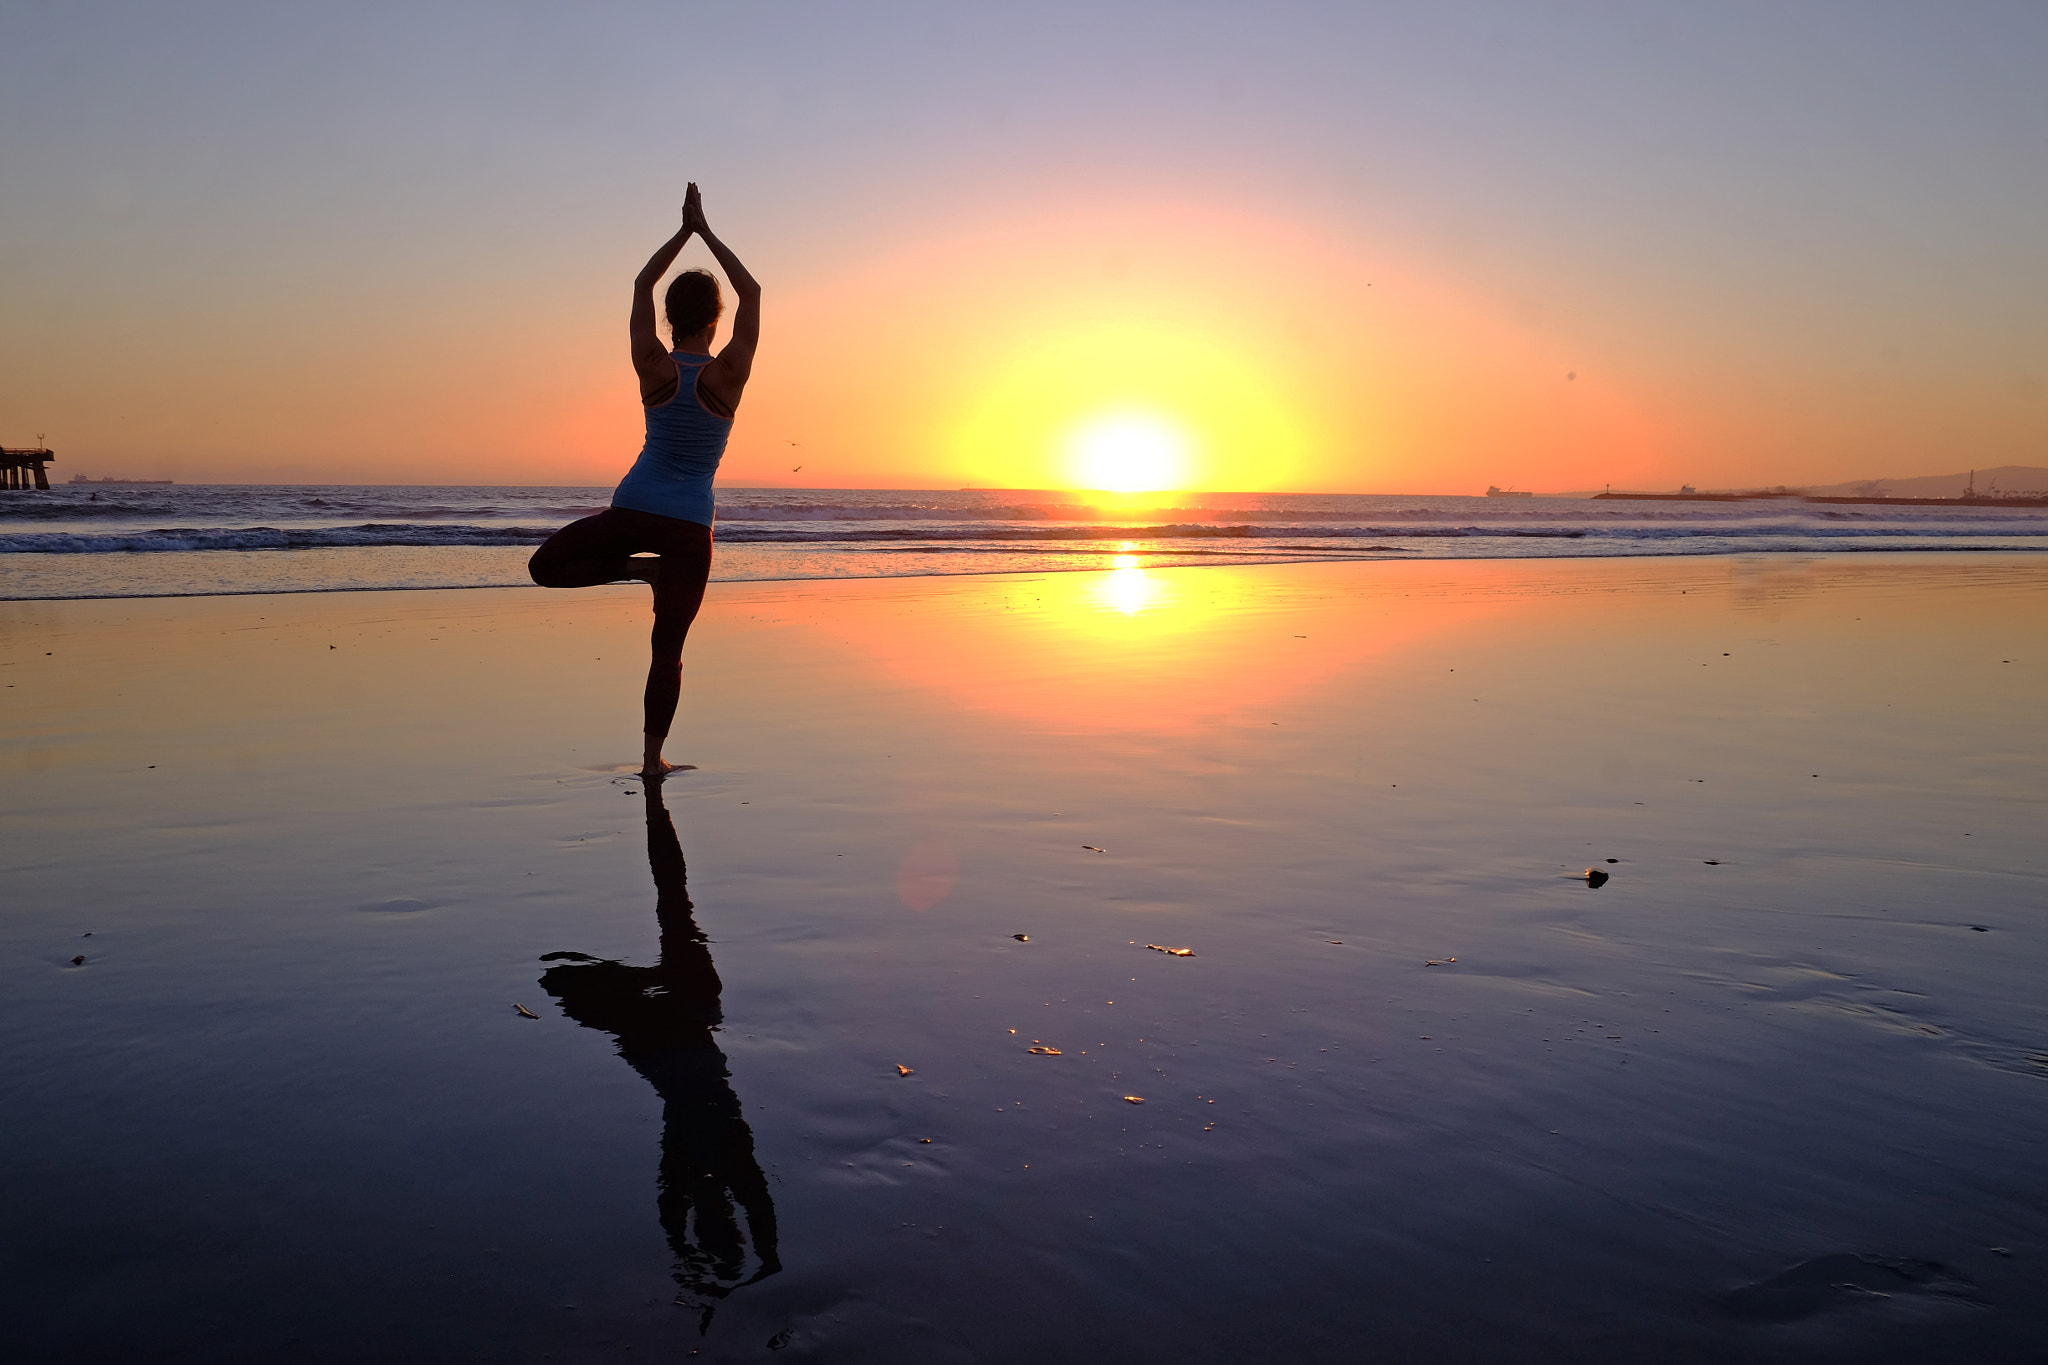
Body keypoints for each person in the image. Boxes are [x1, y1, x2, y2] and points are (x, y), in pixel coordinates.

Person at [528, 183, 760, 778]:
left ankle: (638, 570)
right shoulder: (728, 376)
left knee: (543, 568)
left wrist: (682, 233)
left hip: (635, 508)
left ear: (668, 318)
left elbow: (639, 285)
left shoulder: (651, 364)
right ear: (716, 319)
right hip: (688, 529)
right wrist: (705, 230)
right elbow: (753, 291)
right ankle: (652, 758)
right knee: (668, 654)